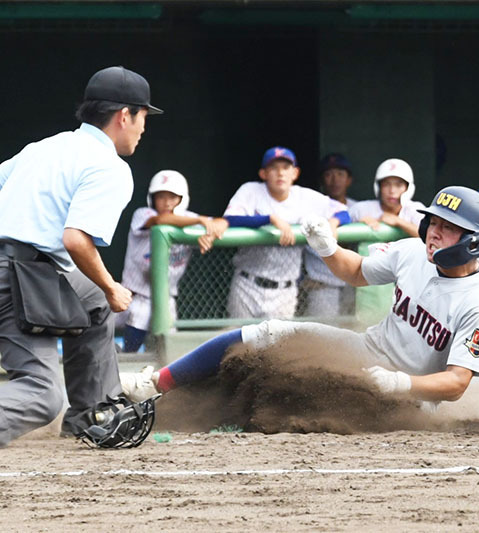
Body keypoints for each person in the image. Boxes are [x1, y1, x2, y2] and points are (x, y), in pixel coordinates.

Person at [120, 186, 479, 407]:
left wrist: (399, 383)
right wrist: (327, 248)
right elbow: (355, 272)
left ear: (473, 242)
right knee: (267, 335)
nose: (434, 232)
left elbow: (456, 383)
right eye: (433, 221)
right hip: (368, 352)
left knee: (298, 395)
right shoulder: (412, 252)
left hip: (411, 401)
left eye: (448, 227)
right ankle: (157, 385)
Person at [0, 65, 162, 445]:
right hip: (16, 276)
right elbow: (75, 239)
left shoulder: (43, 147)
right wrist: (110, 286)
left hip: (28, 270)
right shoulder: (110, 166)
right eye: (142, 117)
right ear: (124, 115)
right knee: (42, 395)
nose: (143, 127)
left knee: (93, 301)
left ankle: (92, 413)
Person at [223, 147, 349, 319]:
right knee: (239, 342)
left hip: (284, 290)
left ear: (295, 173)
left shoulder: (305, 197)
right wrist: (269, 219)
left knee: (278, 344)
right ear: (263, 173)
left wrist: (333, 223)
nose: (280, 173)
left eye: (285, 168)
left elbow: (344, 212)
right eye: (274, 168)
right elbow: (230, 219)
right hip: (247, 282)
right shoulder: (251, 191)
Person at [117, 170, 229, 353]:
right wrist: (200, 221)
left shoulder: (189, 218)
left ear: (181, 198)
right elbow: (161, 220)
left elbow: (221, 222)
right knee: (139, 314)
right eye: (161, 196)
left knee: (166, 350)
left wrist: (210, 233)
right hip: (131, 296)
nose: (167, 202)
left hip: (166, 298)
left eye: (172, 197)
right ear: (152, 198)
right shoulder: (143, 213)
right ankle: (125, 357)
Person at [302, 153, 358, 316]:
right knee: (323, 336)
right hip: (322, 284)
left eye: (340, 174)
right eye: (328, 174)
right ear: (321, 180)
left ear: (349, 180)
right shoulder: (310, 208)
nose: (334, 180)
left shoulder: (358, 208)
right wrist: (301, 278)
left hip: (354, 285)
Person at [349, 158, 425, 238]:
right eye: (386, 184)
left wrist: (398, 221)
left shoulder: (416, 209)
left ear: (407, 188)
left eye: (398, 185)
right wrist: (359, 224)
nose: (392, 191)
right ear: (379, 187)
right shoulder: (361, 209)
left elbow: (430, 235)